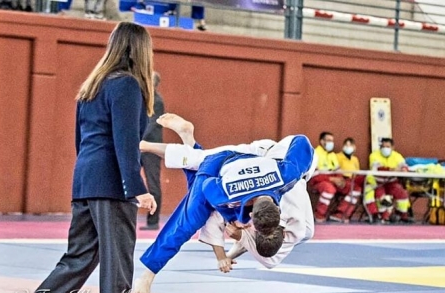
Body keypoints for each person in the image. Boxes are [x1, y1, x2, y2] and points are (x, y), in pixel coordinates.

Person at [35, 22, 157, 293]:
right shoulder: (127, 84)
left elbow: (81, 140)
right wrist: (138, 189)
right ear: (141, 50)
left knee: (80, 257)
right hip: (111, 183)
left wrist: (90, 179)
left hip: (86, 179)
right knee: (117, 260)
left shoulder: (92, 86)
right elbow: (125, 142)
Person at [134, 113, 315, 293]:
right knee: (188, 221)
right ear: (251, 216)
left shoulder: (287, 174)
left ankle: (187, 137)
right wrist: (228, 218)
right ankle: (147, 276)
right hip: (219, 166)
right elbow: (206, 186)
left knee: (194, 163)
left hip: (259, 157)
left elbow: (302, 141)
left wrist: (291, 164)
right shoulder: (229, 192)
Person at [365, 137, 411, 223]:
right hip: (377, 181)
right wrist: (392, 170)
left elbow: (404, 165)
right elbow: (377, 168)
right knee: (381, 197)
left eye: (387, 146)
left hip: (391, 182)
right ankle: (381, 216)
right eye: (383, 146)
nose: (385, 148)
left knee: (402, 193)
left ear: (392, 147)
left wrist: (404, 169)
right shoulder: (374, 155)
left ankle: (402, 215)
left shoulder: (397, 156)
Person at [140, 72, 165, 230]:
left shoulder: (157, 101)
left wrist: (137, 140)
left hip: (151, 148)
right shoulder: (145, 100)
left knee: (153, 184)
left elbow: (151, 124)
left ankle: (153, 221)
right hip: (142, 145)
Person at [328, 137, 364, 223]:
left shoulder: (355, 159)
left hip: (353, 180)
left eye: (350, 145)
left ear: (354, 147)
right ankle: (340, 213)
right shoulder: (337, 156)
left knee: (365, 184)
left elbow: (357, 172)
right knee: (356, 190)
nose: (348, 147)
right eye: (346, 145)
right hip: (342, 180)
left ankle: (344, 214)